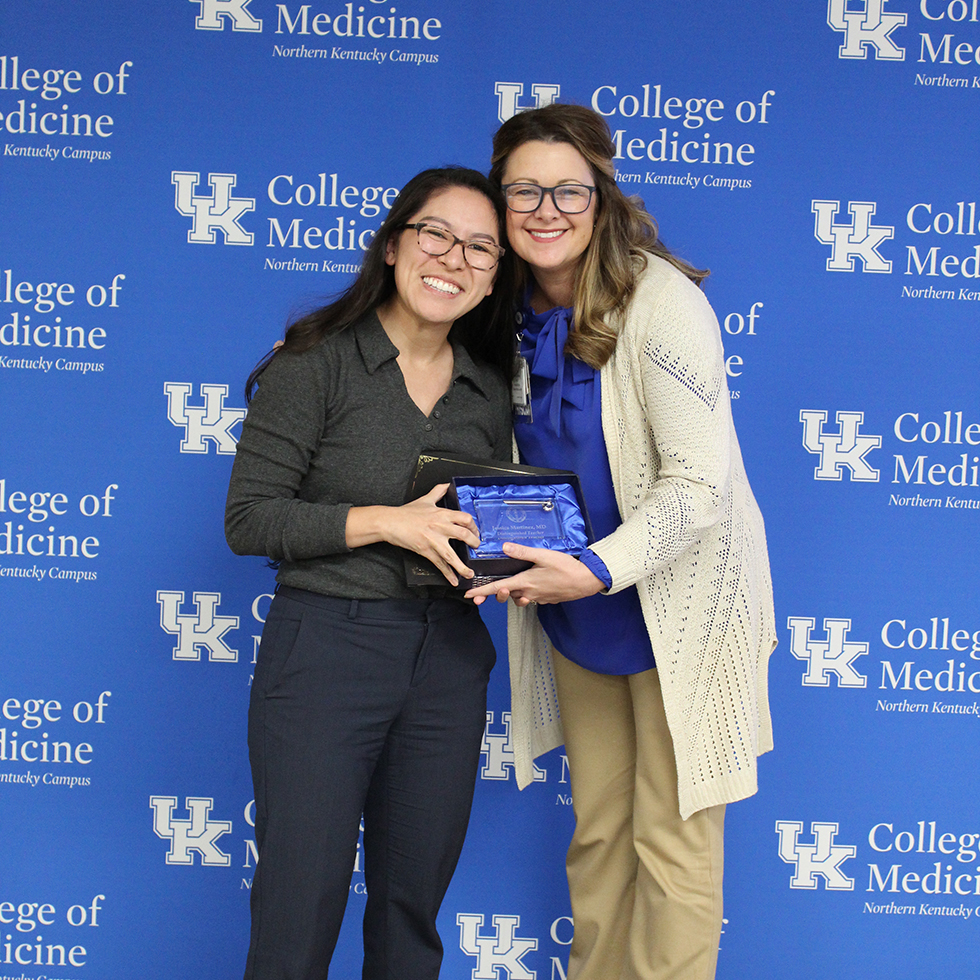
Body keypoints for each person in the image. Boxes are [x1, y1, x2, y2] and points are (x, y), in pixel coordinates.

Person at [466, 104, 777, 980]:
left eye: (568, 189)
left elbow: (698, 488)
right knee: (599, 832)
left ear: (601, 196)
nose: (545, 209)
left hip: (678, 609)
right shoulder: (500, 306)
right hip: (578, 615)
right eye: (523, 189)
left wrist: (595, 567)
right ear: (499, 198)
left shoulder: (661, 303)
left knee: (672, 846)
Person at [225, 166, 515, 980]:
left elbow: (488, 522)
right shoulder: (316, 361)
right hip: (326, 650)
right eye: (436, 235)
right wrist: (388, 522)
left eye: (479, 248)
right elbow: (249, 519)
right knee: (299, 902)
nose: (453, 258)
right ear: (394, 246)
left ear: (496, 275)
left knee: (410, 913)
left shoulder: (487, 389)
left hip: (448, 661)